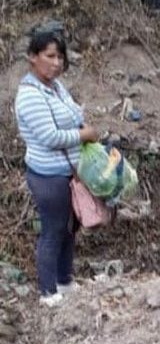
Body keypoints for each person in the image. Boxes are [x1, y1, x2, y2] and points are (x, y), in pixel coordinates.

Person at [14, 21, 100, 307]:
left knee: (69, 230)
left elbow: (74, 112)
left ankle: (65, 281)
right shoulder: (30, 94)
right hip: (48, 176)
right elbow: (50, 137)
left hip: (68, 173)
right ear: (33, 56)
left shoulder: (57, 87)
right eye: (49, 56)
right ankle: (48, 293)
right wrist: (84, 134)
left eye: (60, 57)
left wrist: (81, 123)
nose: (56, 62)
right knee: (52, 231)